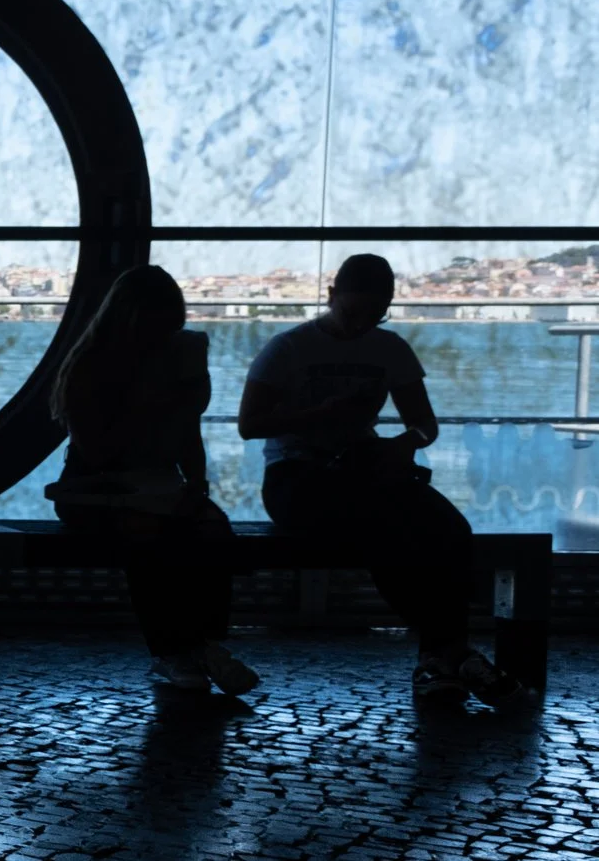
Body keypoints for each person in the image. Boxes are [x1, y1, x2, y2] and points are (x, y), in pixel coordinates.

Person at [240, 254, 530, 709]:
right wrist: (320, 417)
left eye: (374, 315)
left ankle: (441, 658)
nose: (361, 324)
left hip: (360, 472)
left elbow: (424, 425)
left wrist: (403, 444)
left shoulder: (388, 349)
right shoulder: (288, 348)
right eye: (353, 312)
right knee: (398, 527)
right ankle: (448, 652)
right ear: (331, 296)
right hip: (295, 475)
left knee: (450, 528)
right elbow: (250, 425)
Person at [47, 265, 258, 695]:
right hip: (97, 488)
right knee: (160, 532)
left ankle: (186, 648)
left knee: (199, 530)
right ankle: (192, 646)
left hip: (132, 487)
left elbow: (185, 433)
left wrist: (196, 484)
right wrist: (153, 404)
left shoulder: (103, 364)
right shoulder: (91, 368)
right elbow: (99, 453)